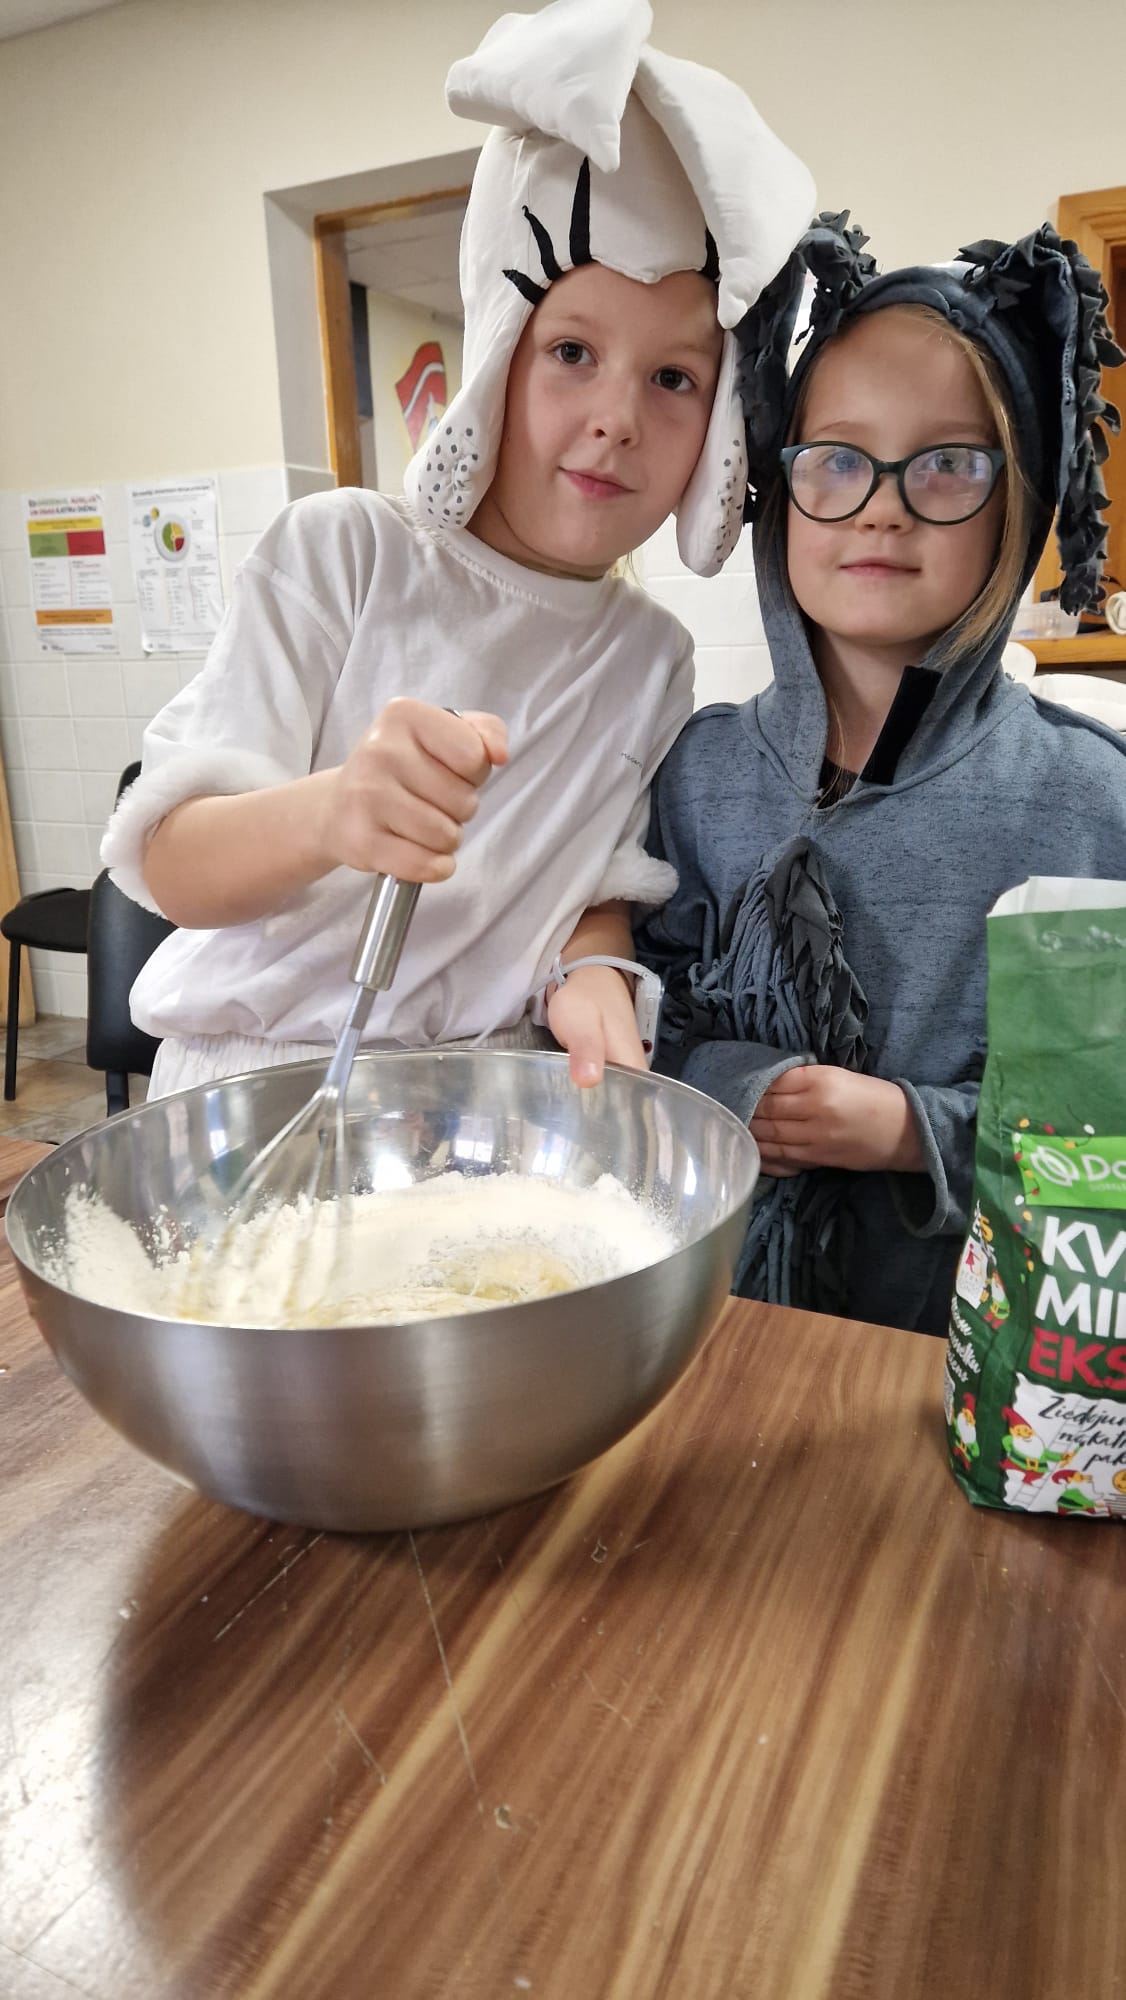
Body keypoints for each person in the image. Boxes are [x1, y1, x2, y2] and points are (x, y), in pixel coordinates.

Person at [101, 0, 814, 1100]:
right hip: (259, 1087)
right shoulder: (344, 555)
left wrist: (589, 968)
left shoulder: (647, 656)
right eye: (571, 351)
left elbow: (588, 877)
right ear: (498, 350)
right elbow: (170, 862)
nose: (617, 419)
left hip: (494, 1106)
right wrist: (334, 810)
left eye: (674, 378)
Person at [637, 215, 1126, 1335]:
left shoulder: (1088, 801)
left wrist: (914, 1130)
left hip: (970, 1361)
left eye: (948, 463)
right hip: (717, 1336)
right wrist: (743, 1087)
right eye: (838, 459)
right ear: (780, 489)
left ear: (1017, 503)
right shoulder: (696, 774)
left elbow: (1104, 1116)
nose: (884, 504)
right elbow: (639, 1025)